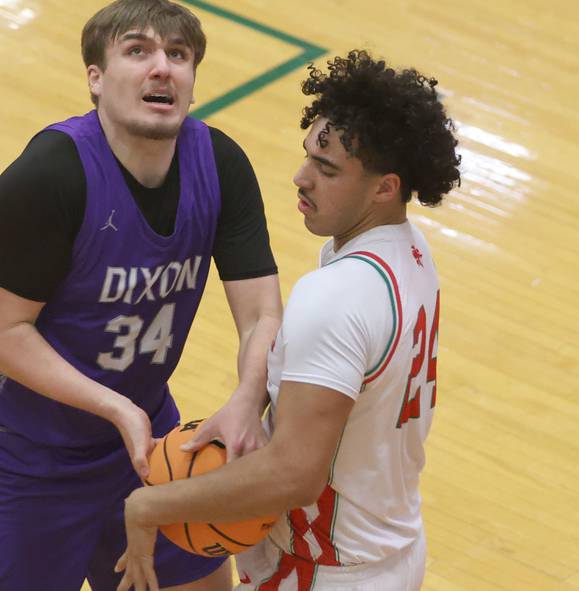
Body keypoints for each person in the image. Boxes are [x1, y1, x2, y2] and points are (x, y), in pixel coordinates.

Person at [0, 1, 282, 590]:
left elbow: (261, 313)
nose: (163, 68)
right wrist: (118, 407)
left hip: (143, 438)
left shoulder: (221, 164)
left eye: (178, 55)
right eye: (138, 51)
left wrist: (249, 396)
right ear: (95, 78)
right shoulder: (47, 177)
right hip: (20, 451)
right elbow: (4, 336)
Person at [116, 49, 461, 591]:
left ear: (384, 187)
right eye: (308, 157)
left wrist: (149, 505)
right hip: (390, 548)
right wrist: (249, 399)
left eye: (326, 170)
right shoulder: (408, 252)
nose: (300, 178)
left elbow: (293, 474)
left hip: (322, 569)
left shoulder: (336, 295)